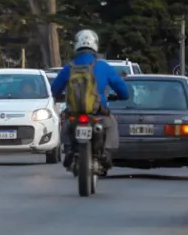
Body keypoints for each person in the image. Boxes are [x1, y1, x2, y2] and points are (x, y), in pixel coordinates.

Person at [50, 29, 130, 171]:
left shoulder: (69, 67)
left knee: (66, 126)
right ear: (95, 46)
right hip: (98, 114)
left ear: (76, 46)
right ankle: (106, 153)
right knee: (111, 125)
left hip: (74, 114)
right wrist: (121, 96)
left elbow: (54, 89)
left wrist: (60, 97)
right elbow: (123, 90)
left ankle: (68, 150)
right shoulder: (103, 66)